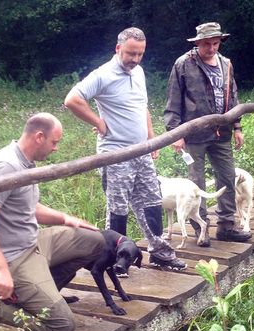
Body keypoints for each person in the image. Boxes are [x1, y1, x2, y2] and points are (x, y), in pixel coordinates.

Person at [0, 112, 105, 331]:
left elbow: (28, 206)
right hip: (12, 258)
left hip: (33, 243)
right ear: (39, 137)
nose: (56, 148)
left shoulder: (25, 161)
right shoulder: (5, 166)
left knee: (94, 240)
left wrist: (66, 219)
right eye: (54, 142)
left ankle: (34, 293)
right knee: (61, 326)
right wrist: (1, 269)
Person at [64, 27, 186, 271]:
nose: (135, 59)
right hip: (115, 154)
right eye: (131, 53)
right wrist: (98, 123)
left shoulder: (138, 72)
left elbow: (143, 107)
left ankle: (160, 252)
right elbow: (72, 100)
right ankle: (114, 261)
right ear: (118, 48)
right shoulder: (103, 74)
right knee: (118, 209)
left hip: (141, 151)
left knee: (151, 201)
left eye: (140, 54)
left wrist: (152, 139)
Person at [164, 22, 252, 247]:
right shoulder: (183, 64)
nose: (212, 48)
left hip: (222, 133)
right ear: (197, 43)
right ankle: (201, 230)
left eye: (215, 43)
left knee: (227, 175)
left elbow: (233, 97)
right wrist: (175, 133)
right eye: (206, 44)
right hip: (193, 134)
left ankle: (226, 225)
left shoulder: (226, 64)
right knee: (196, 181)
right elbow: (173, 100)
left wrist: (238, 127)